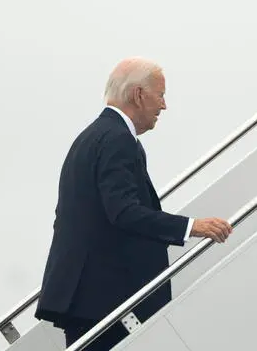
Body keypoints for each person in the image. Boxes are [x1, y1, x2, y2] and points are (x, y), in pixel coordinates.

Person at [34, 57, 233, 349]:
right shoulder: (117, 139)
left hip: (87, 297)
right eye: (161, 95)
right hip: (107, 299)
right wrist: (192, 226)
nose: (164, 106)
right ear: (139, 95)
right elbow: (124, 212)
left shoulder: (92, 137)